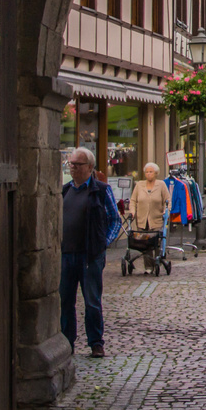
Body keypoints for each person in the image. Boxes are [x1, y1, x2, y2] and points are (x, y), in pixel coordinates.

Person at [61, 147, 121, 358]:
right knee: (65, 300)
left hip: (90, 255)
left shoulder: (101, 190)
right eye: (71, 164)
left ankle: (96, 342)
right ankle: (67, 342)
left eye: (77, 165)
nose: (73, 168)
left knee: (92, 300)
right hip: (66, 254)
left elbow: (115, 220)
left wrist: (103, 243)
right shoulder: (65, 190)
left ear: (89, 167)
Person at [128, 161, 171, 273]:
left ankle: (157, 263)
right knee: (144, 244)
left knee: (156, 243)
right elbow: (133, 201)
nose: (148, 174)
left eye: (151, 172)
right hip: (142, 219)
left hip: (156, 219)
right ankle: (148, 267)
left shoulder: (161, 185)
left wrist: (166, 212)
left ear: (156, 173)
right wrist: (132, 212)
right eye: (147, 172)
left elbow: (168, 200)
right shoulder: (139, 185)